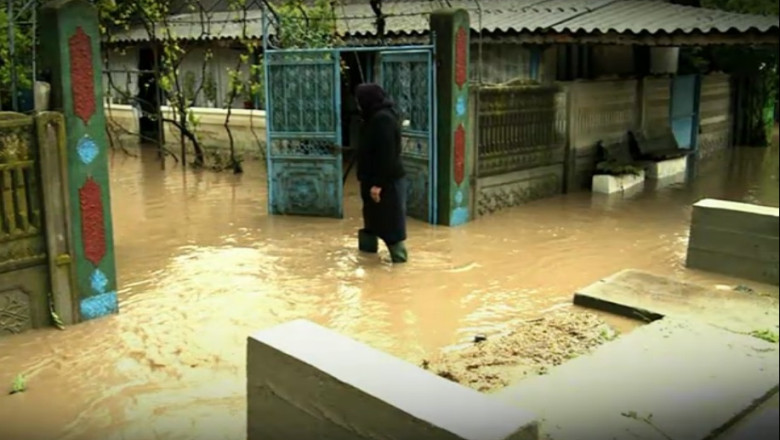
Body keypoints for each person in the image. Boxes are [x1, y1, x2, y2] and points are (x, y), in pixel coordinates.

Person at [354, 83, 408, 263]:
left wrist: (378, 184)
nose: (358, 104)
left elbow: (387, 155)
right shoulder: (372, 117)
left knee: (391, 226)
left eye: (359, 100)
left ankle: (400, 265)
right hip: (372, 181)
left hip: (386, 183)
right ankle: (367, 259)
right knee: (371, 222)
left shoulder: (383, 119)